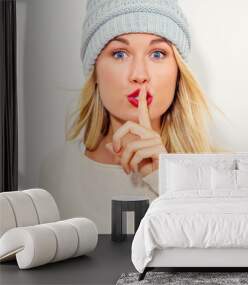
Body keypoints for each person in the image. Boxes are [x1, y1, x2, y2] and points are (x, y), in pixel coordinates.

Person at [39, 0, 223, 234]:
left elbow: (210, 257)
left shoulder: (213, 174)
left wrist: (163, 177)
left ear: (178, 71)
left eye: (157, 54)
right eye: (119, 54)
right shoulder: (55, 171)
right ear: (94, 71)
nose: (139, 75)